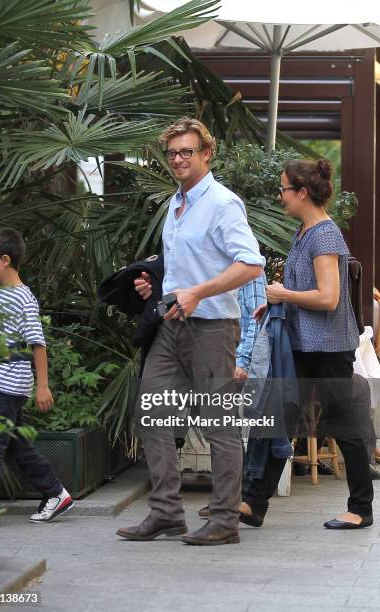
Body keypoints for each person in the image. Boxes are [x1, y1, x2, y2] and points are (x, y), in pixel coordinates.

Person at [116, 117, 264, 545]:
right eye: (173, 153)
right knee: (152, 411)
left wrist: (199, 291)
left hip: (213, 327)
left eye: (187, 151)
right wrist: (154, 283)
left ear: (207, 154)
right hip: (171, 324)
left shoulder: (222, 203)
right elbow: (185, 263)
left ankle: (224, 521)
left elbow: (250, 264)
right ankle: (166, 513)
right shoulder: (176, 204)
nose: (179, 159)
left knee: (219, 424)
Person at [240, 159, 373, 530]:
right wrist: (279, 300)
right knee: (278, 417)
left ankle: (361, 508)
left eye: (283, 189)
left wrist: (285, 293)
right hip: (305, 344)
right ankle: (253, 503)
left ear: (302, 193)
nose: (280, 196)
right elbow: (309, 291)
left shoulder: (324, 235)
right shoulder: (305, 231)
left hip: (327, 348)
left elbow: (329, 298)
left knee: (343, 425)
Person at [0, 228, 73, 525]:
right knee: (17, 444)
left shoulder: (22, 297)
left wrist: (43, 385)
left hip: (7, 383)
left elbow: (38, 342)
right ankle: (55, 493)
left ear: (5, 260)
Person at [197, 275, 267, 519]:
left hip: (234, 359)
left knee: (226, 432)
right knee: (218, 429)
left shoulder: (249, 269)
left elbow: (256, 319)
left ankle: (229, 499)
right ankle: (223, 498)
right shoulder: (218, 267)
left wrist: (244, 360)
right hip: (216, 355)